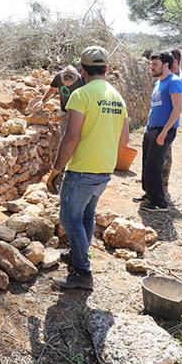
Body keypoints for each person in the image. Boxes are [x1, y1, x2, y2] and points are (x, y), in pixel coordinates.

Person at [45, 46, 129, 289]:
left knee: (69, 219)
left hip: (82, 170)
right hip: (104, 171)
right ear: (107, 69)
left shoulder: (80, 95)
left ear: (82, 71)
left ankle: (82, 272)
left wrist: (56, 169)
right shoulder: (117, 97)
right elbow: (124, 141)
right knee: (86, 215)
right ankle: (78, 255)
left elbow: (71, 138)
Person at [136, 51, 182, 211]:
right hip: (152, 128)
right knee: (146, 163)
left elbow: (177, 109)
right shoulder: (158, 83)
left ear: (166, 65)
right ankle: (149, 194)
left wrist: (164, 132)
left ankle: (159, 203)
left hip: (163, 130)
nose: (152, 67)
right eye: (151, 64)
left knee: (155, 166)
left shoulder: (174, 82)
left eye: (155, 65)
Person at [161, 48, 182, 194]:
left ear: (175, 61)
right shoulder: (168, 77)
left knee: (166, 154)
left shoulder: (181, 80)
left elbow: (178, 106)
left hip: (169, 123)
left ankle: (164, 185)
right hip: (162, 122)